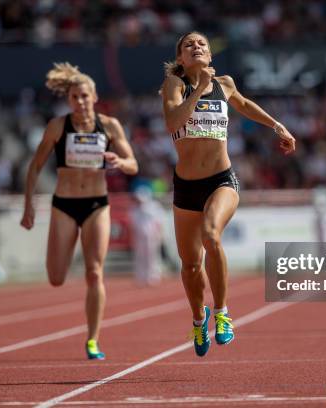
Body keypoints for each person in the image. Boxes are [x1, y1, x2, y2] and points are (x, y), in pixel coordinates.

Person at [160, 31, 296, 357]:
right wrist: (200, 91)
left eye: (201, 43)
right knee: (190, 265)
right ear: (181, 58)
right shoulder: (174, 86)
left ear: (210, 54)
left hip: (222, 180)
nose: (196, 47)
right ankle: (198, 318)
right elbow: (172, 121)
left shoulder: (225, 83)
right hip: (186, 187)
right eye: (189, 45)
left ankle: (222, 313)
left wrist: (278, 126)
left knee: (211, 234)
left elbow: (246, 105)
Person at [20, 62, 138, 359]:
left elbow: (133, 164)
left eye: (85, 96)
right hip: (65, 205)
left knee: (94, 272)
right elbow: (34, 167)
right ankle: (90, 334)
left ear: (95, 97)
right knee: (56, 277)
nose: (81, 102)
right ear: (68, 100)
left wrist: (120, 162)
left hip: (97, 204)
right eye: (75, 97)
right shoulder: (58, 126)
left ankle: (93, 339)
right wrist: (28, 206)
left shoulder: (109, 126)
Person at [130, 186, 164, 286]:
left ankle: (153, 276)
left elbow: (159, 222)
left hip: (152, 235)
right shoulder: (134, 209)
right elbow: (133, 224)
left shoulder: (154, 207)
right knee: (140, 256)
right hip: (139, 236)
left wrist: (159, 234)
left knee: (152, 256)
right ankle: (141, 277)